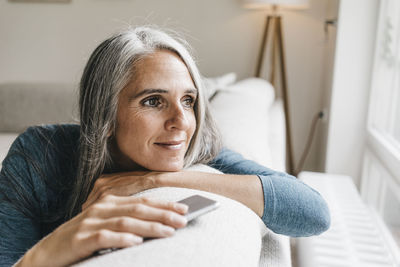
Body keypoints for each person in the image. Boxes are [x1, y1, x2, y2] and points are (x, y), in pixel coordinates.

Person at [0, 26, 330, 267]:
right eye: (154, 101)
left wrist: (156, 180)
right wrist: (44, 255)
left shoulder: (198, 150)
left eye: (188, 100)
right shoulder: (41, 154)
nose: (182, 122)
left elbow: (313, 213)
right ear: (105, 113)